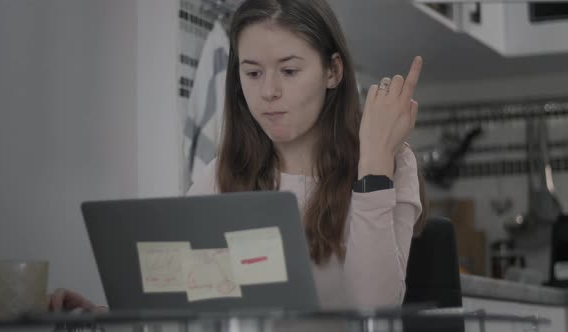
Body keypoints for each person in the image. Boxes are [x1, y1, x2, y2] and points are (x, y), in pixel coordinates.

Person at [49, 0, 426, 311]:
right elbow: (184, 296)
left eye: (290, 71)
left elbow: (375, 310)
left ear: (332, 71)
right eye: (253, 73)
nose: (269, 92)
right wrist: (106, 316)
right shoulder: (222, 174)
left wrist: (374, 163)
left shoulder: (392, 162)